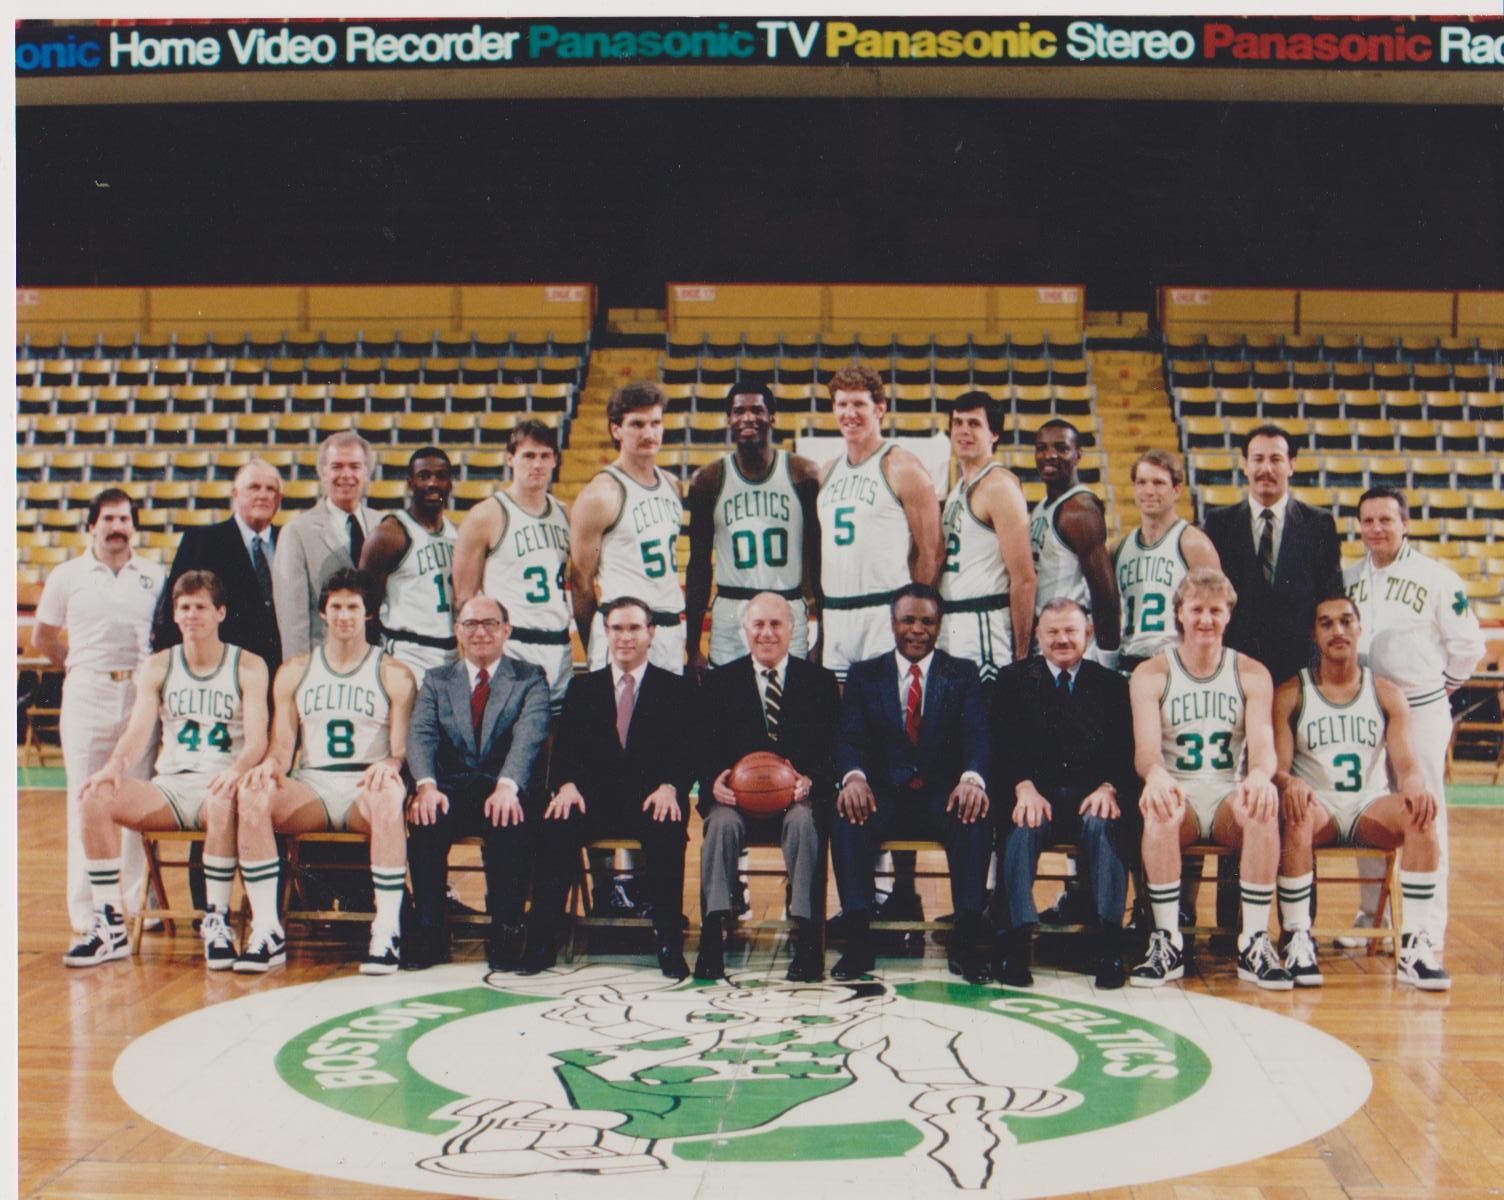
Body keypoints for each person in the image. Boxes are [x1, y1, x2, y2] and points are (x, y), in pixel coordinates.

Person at [65, 571, 269, 968]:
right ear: (174, 615)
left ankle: (217, 920)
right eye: (184, 607)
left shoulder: (248, 665)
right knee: (95, 798)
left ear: (220, 613)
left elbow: (258, 739)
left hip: (220, 784)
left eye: (201, 607)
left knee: (223, 802)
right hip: (170, 786)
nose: (192, 615)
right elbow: (138, 730)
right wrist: (113, 767)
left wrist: (239, 769)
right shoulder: (159, 665)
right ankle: (109, 924)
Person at [235, 568, 416, 975]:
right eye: (336, 606)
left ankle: (386, 931)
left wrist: (391, 764)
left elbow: (402, 750)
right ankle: (267, 930)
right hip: (313, 786)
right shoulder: (296, 671)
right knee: (251, 795)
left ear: (369, 613)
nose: (344, 615)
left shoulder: (394, 672)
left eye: (354, 606)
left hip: (363, 789)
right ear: (323, 613)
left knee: (390, 794)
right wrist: (270, 767)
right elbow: (283, 747)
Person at [1273, 595, 1451, 990]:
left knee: (1421, 815)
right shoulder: (1292, 692)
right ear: (1314, 634)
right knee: (1295, 813)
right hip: (1317, 806)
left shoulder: (1386, 692)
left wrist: (1416, 786)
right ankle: (1299, 937)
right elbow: (1279, 771)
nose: (1338, 630)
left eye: (1346, 621)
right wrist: (1290, 784)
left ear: (1359, 628)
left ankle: (1415, 943)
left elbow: (1406, 766)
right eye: (1326, 623)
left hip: (1368, 805)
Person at [1128, 567, 1291, 990]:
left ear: (1228, 615)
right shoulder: (1151, 674)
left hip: (1224, 792)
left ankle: (1254, 940)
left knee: (1261, 808)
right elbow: (1146, 753)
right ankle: (1167, 940)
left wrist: (1259, 775)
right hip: (1177, 788)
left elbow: (1263, 745)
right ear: (1179, 613)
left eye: (1215, 611)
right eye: (1196, 609)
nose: (1205, 620)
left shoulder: (1251, 673)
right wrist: (1157, 776)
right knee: (1159, 809)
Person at [521, 597, 696, 978]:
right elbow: (563, 752)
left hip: (649, 800)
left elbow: (687, 752)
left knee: (667, 828)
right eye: (616, 628)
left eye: (634, 628)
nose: (625, 637)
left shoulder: (676, 689)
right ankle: (541, 941)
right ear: (605, 633)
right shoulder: (583, 689)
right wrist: (565, 785)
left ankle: (668, 940)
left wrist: (671, 786)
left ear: (651, 633)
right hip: (594, 801)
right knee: (555, 826)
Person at [1341, 487, 1484, 951]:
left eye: (1386, 520)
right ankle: (1369, 918)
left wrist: (1440, 686)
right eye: (1368, 521)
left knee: (1424, 810)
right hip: (1363, 709)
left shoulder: (1437, 578)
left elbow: (1469, 646)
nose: (1376, 529)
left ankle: (1425, 930)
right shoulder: (1347, 578)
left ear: (1405, 523)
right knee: (1366, 808)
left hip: (1420, 706)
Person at [829, 584, 992, 983]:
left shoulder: (963, 673)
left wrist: (972, 779)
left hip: (941, 797)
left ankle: (967, 942)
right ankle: (857, 940)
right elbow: (848, 737)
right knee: (846, 815)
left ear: (939, 626)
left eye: (927, 621)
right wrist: (853, 778)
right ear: (893, 624)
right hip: (882, 796)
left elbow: (978, 736)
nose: (917, 629)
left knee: (976, 814)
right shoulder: (865, 675)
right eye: (908, 620)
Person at [34, 488, 166, 937]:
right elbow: (44, 636)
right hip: (87, 692)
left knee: (132, 796)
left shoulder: (153, 575)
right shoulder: (67, 574)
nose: (116, 527)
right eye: (108, 518)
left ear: (134, 526)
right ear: (92, 525)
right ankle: (88, 909)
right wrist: (79, 666)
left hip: (138, 692)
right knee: (84, 798)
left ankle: (132, 902)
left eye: (124, 519)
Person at [990, 598, 1136, 989]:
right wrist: (1023, 787)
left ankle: (1109, 942)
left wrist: (1109, 787)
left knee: (1106, 825)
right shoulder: (1013, 680)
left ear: (1087, 634)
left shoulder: (1113, 686)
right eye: (1052, 632)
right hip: (1036, 795)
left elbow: (1126, 751)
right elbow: (1003, 747)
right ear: (1037, 636)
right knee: (1020, 827)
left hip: (1091, 796)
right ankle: (1016, 940)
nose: (1062, 640)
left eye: (1070, 631)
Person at [694, 592, 840, 983]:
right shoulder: (720, 681)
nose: (767, 633)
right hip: (737, 801)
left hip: (795, 800)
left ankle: (807, 935)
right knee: (720, 824)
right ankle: (712, 931)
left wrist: (812, 780)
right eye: (758, 624)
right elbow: (704, 748)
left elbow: (833, 751)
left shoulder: (820, 682)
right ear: (744, 630)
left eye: (776, 624)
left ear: (795, 629)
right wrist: (716, 781)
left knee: (804, 824)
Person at [405, 594, 551, 971]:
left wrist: (508, 785)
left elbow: (530, 736)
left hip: (505, 787)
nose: (480, 632)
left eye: (490, 623)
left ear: (507, 629)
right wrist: (426, 785)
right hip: (451, 788)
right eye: (470, 624)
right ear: (457, 631)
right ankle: (431, 931)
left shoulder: (530, 677)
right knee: (425, 819)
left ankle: (505, 929)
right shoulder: (437, 680)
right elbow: (421, 734)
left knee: (510, 819)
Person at [684, 380, 821, 675]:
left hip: (787, 606)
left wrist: (823, 635)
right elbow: (698, 566)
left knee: (788, 711)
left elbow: (818, 558)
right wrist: (692, 645)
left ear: (772, 417)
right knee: (728, 713)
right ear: (729, 420)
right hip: (732, 611)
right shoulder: (708, 480)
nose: (748, 417)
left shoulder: (802, 474)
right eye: (739, 411)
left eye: (757, 410)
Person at [816, 364, 942, 681]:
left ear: (880, 409)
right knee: (844, 724)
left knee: (887, 720)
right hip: (836, 613)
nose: (850, 413)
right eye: (842, 404)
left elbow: (931, 551)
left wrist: (913, 619)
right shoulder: (827, 472)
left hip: (884, 613)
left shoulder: (902, 465)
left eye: (859, 404)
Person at [1202, 424, 1342, 686]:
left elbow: (1331, 597)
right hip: (1235, 666)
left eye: (1276, 459)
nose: (1266, 468)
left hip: (1301, 669)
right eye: (1258, 459)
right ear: (1245, 465)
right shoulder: (1218, 523)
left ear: (1291, 465)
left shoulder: (1319, 523)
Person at [453, 419, 574, 716]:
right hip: (512, 646)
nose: (537, 464)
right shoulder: (486, 515)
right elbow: (464, 598)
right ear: (510, 459)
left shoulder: (565, 514)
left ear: (555, 460)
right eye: (528, 455)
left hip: (559, 646)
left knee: (554, 748)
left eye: (545, 456)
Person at [569, 381, 686, 674]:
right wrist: (596, 640)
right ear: (616, 429)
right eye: (637, 424)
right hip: (624, 633)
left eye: (655, 423)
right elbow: (581, 583)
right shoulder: (601, 494)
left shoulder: (673, 485)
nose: (649, 433)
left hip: (669, 631)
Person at [151, 457, 284, 673]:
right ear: (235, 494)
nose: (263, 495)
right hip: (221, 672)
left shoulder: (290, 540)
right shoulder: (203, 540)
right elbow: (174, 611)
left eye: (271, 489)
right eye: (254, 487)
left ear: (279, 498)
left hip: (280, 672)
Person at [939, 391, 1036, 682]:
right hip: (953, 622)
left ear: (994, 434)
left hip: (985, 623)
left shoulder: (998, 486)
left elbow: (1024, 578)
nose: (963, 431)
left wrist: (1021, 656)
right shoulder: (957, 488)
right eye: (957, 423)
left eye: (974, 424)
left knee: (985, 721)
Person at [272, 430, 379, 659]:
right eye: (337, 466)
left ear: (367, 472)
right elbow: (293, 620)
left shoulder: (384, 526)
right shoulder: (296, 532)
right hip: (324, 665)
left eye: (355, 466)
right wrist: (298, 673)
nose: (346, 474)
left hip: (376, 663)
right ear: (322, 472)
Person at [1113, 449, 1220, 676]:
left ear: (1177, 490)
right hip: (1125, 665)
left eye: (1158, 483)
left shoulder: (1194, 545)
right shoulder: (1119, 548)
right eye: (1141, 482)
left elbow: (1217, 615)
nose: (1149, 491)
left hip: (1173, 666)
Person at [360, 446, 458, 690]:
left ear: (450, 483)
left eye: (441, 476)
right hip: (407, 655)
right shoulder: (389, 534)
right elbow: (365, 609)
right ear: (410, 482)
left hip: (451, 656)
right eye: (424, 476)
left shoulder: (457, 534)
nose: (433, 483)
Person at [1029, 419, 1120, 664]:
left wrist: (1108, 658)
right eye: (1041, 448)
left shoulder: (1080, 509)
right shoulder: (1041, 508)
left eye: (1061, 448)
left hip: (1074, 643)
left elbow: (1105, 592)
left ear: (1078, 455)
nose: (1049, 455)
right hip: (1049, 637)